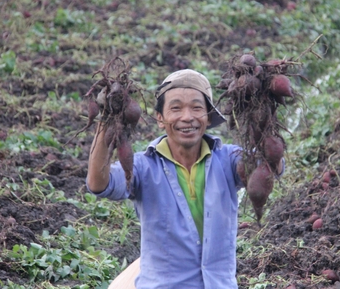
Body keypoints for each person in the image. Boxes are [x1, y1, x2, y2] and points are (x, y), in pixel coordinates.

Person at [86, 69, 284, 289]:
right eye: (176, 108)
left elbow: (270, 166)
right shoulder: (143, 167)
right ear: (160, 119)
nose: (187, 117)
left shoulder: (228, 160)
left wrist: (263, 108)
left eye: (197, 108)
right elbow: (99, 184)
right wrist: (105, 120)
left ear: (208, 118)